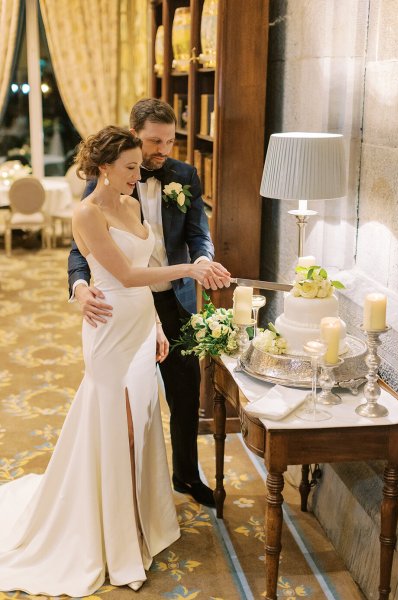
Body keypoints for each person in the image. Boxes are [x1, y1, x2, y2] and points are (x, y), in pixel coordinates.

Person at [0, 126, 230, 596]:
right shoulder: (86, 212)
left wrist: (158, 327)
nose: (138, 173)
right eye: (129, 166)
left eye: (138, 167)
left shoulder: (133, 203)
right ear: (103, 167)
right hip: (107, 330)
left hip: (142, 326)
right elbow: (123, 272)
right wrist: (187, 269)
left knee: (143, 421)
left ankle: (141, 520)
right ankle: (110, 536)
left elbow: (146, 278)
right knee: (115, 426)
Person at [68, 98, 227, 507]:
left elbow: (198, 234)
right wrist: (80, 288)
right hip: (122, 305)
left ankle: (186, 477)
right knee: (124, 404)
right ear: (134, 135)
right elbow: (79, 250)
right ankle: (121, 494)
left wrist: (203, 261)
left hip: (172, 303)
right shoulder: (109, 179)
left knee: (183, 393)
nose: (163, 150)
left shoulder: (185, 176)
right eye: (155, 141)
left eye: (170, 141)